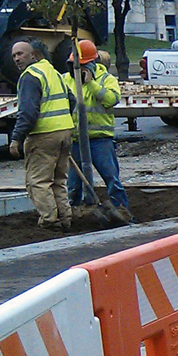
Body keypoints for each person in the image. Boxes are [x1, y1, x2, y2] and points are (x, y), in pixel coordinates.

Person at [64, 39, 132, 224]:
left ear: (92, 63)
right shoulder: (66, 80)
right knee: (74, 183)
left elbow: (111, 100)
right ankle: (75, 214)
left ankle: (121, 211)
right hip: (76, 140)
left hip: (100, 139)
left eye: (83, 65)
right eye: (75, 65)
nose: (78, 69)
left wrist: (92, 84)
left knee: (111, 178)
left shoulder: (106, 79)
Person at [9, 40, 74, 232]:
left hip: (43, 136)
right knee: (59, 180)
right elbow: (72, 101)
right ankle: (65, 217)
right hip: (64, 133)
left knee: (38, 181)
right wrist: (63, 124)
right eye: (14, 55)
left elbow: (28, 112)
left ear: (33, 55)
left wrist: (16, 138)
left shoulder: (30, 76)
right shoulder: (54, 73)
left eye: (20, 54)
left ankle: (49, 220)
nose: (17, 59)